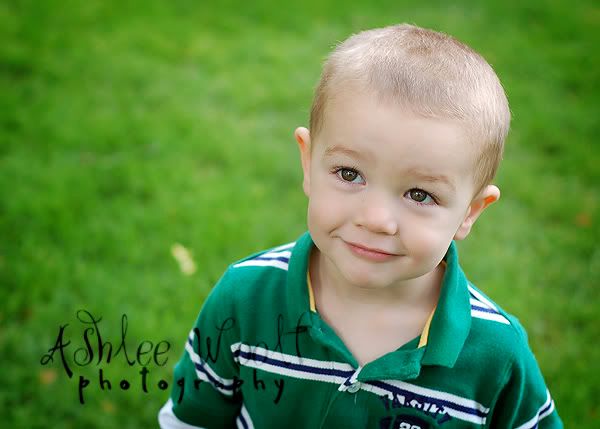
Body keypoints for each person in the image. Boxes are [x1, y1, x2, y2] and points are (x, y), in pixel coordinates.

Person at [158, 23, 562, 428]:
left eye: (420, 194)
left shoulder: (496, 354)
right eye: (349, 174)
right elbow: (193, 418)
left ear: (470, 212)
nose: (376, 219)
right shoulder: (245, 297)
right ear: (308, 163)